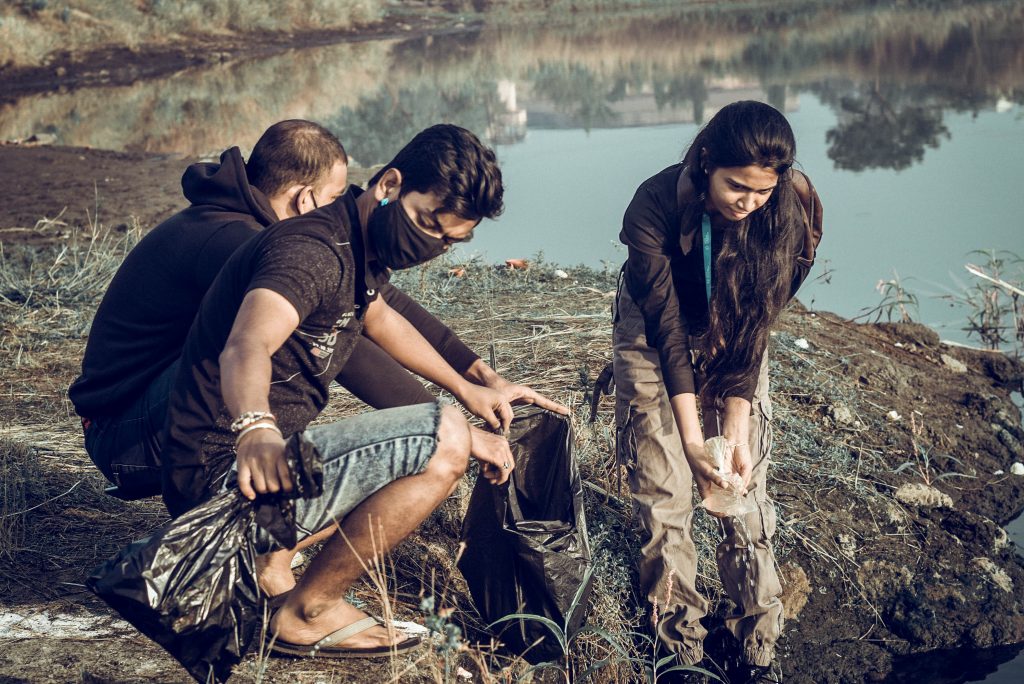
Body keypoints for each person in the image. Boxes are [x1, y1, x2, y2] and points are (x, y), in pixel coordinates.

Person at [159, 124, 538, 657]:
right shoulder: (311, 251)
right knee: (446, 437)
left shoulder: (356, 247)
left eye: (452, 240)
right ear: (389, 184)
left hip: (264, 482)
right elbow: (246, 345)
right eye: (428, 224)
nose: (434, 246)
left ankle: (267, 562)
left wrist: (465, 384)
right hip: (228, 477)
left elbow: (382, 319)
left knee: (450, 420)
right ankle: (304, 612)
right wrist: (256, 430)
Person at [70, 119, 561, 507]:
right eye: (331, 199)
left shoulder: (277, 240)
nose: (337, 211)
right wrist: (445, 425)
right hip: (123, 433)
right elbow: (349, 341)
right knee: (309, 331)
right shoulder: (240, 241)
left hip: (156, 408)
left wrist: (475, 375)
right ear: (305, 198)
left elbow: (381, 306)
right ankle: (224, 489)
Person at [612, 101, 823, 684]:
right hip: (653, 334)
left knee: (742, 488)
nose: (747, 202)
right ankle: (678, 646)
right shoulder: (653, 205)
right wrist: (690, 440)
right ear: (707, 160)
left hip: (737, 334)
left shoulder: (791, 208)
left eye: (761, 191)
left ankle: (755, 642)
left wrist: (734, 425)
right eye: (736, 186)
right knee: (664, 488)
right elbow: (667, 331)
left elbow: (758, 323)